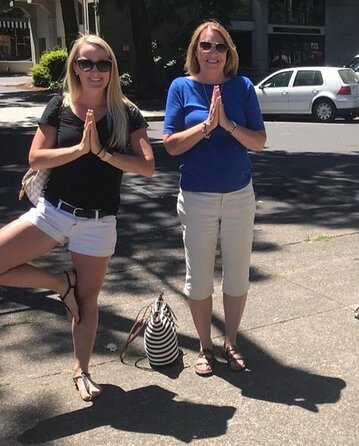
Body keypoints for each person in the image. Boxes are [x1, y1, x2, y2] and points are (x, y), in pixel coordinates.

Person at [0, 34, 154, 401]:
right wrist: (80, 149)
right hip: (54, 212)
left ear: (112, 69)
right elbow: (36, 157)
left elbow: (147, 166)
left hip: (98, 222)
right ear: (75, 68)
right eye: (86, 63)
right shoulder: (60, 105)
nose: (95, 71)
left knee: (87, 302)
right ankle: (59, 284)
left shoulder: (126, 112)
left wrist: (102, 153)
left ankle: (81, 370)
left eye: (103, 64)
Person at [163, 21, 266, 376]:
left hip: (239, 196)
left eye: (220, 46)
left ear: (229, 53)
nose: (213, 53)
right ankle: (205, 346)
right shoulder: (181, 87)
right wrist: (206, 126)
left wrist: (228, 125)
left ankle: (231, 341)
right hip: (197, 198)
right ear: (196, 50)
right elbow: (171, 145)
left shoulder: (243, 87)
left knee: (237, 273)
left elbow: (259, 142)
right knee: (199, 277)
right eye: (205, 45)